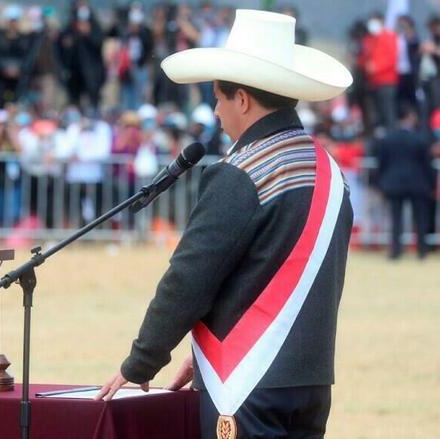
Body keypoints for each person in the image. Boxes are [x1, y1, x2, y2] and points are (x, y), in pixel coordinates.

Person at [95, 10, 354, 439]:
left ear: (244, 100)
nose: (215, 111)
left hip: (247, 383)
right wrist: (206, 351)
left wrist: (141, 361)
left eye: (218, 97)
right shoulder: (328, 169)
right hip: (310, 378)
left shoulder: (240, 172)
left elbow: (189, 278)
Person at [373, 106, 434, 259]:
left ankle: (396, 251)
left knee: (396, 218)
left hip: (394, 183)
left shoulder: (388, 138)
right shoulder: (420, 138)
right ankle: (422, 251)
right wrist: (432, 183)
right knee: (420, 218)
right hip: (417, 183)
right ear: (410, 117)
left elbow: (381, 163)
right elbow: (427, 164)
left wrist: (380, 183)